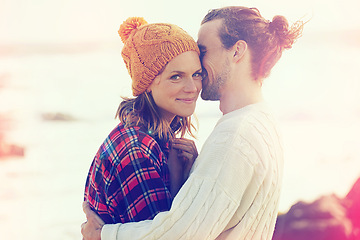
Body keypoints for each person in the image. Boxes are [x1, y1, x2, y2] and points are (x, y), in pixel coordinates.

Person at [81, 6, 304, 240]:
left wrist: (103, 235)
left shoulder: (236, 135)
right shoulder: (261, 121)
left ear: (237, 51)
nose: (195, 79)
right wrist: (189, 178)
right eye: (176, 75)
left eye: (203, 51)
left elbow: (181, 232)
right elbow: (193, 223)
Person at [83, 17, 202, 225]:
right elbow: (162, 235)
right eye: (176, 76)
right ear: (147, 83)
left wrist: (185, 176)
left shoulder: (159, 139)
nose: (192, 87)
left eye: (197, 74)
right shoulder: (136, 150)